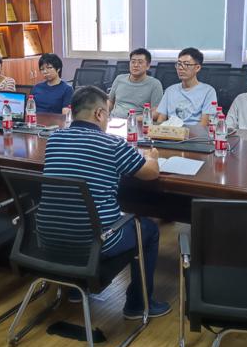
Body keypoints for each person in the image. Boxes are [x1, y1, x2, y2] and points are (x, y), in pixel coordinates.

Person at [41, 85, 171, 319]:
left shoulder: (54, 139)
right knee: (148, 230)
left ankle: (76, 287)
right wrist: (151, 157)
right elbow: (151, 173)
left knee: (77, 213)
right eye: (108, 115)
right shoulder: (112, 144)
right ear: (99, 114)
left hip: (48, 237)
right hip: (95, 242)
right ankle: (138, 304)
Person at [154, 47, 217, 126]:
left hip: (195, 132)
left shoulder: (208, 91)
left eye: (186, 64)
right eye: (179, 64)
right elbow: (161, 119)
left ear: (197, 68)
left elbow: (204, 124)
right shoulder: (170, 90)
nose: (180, 68)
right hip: (172, 132)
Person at [108, 48, 164, 119]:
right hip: (114, 120)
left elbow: (156, 112)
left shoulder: (155, 84)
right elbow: (110, 102)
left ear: (148, 66)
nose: (136, 65)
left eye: (140, 62)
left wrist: (134, 119)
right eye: (133, 62)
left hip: (137, 122)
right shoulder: (119, 79)